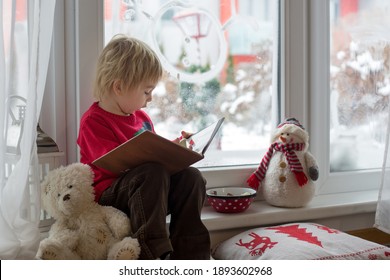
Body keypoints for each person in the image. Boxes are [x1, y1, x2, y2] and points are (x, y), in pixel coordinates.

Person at [77, 35, 210, 260]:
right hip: (111, 195)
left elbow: (152, 151)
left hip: (148, 188)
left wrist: (177, 148)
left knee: (191, 176)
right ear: (119, 87)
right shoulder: (94, 121)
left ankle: (192, 253)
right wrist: (153, 161)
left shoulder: (141, 118)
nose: (149, 99)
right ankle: (151, 253)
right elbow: (108, 165)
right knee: (151, 172)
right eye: (146, 91)